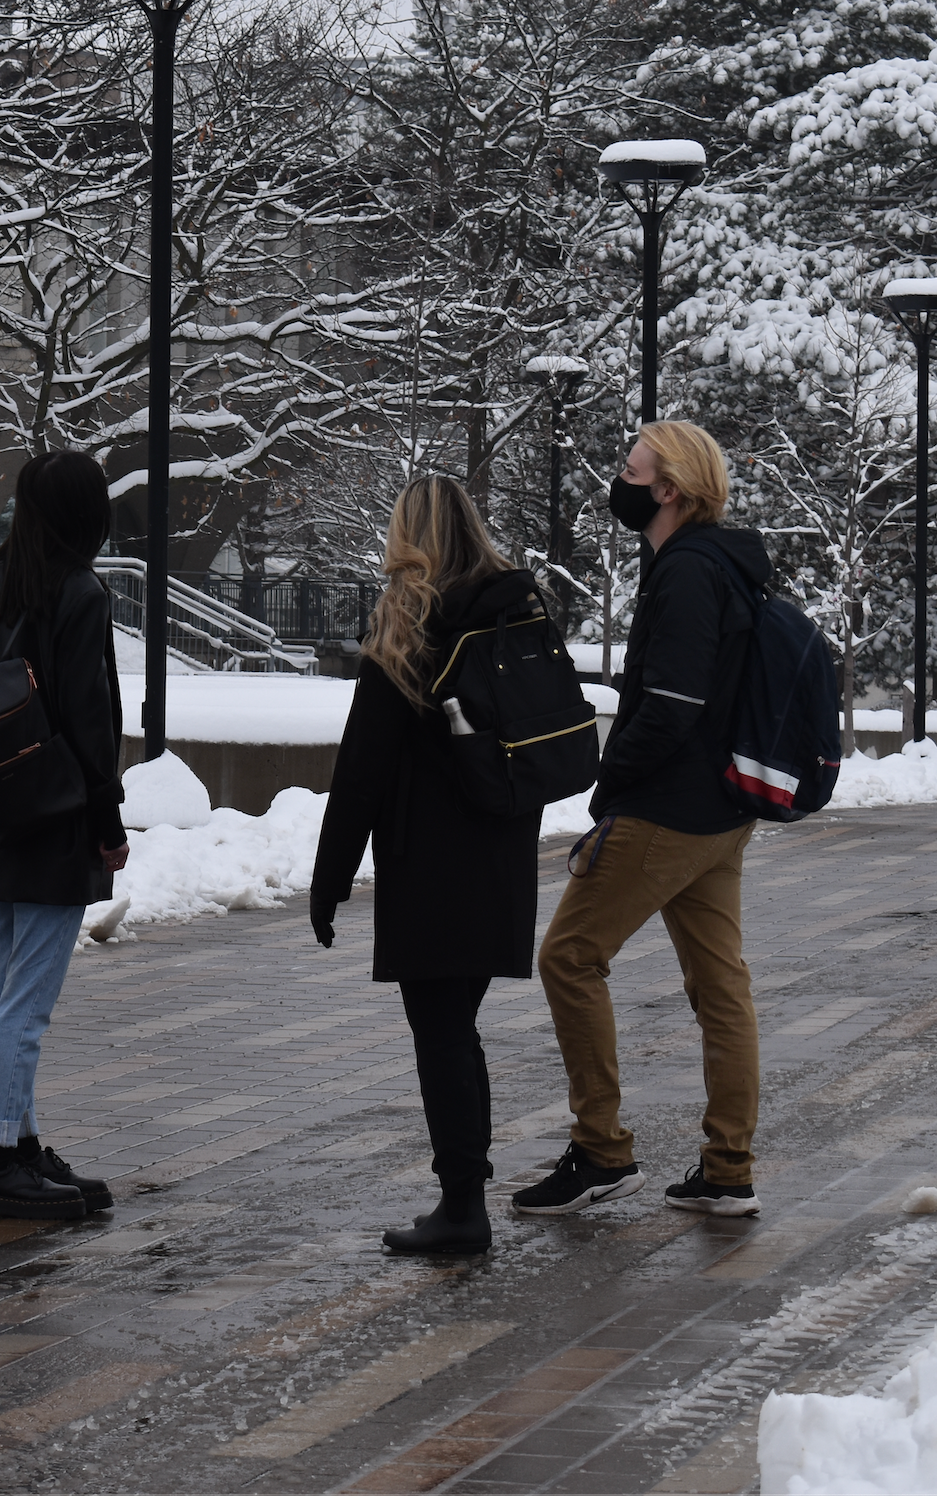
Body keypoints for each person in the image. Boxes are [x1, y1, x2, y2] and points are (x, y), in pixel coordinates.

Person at [517, 420, 772, 1220]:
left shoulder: (690, 571)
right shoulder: (719, 564)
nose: (616, 482)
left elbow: (670, 702)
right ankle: (727, 1169)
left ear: (668, 489)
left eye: (629, 470)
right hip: (717, 810)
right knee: (720, 987)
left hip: (669, 810)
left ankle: (600, 1152)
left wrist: (611, 782)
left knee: (568, 957)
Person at [309, 477, 545, 1257]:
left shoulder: (409, 626)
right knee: (458, 1026)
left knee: (440, 1031)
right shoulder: (517, 609)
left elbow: (362, 772)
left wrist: (330, 879)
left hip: (432, 866)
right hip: (502, 854)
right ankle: (465, 1192)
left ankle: (462, 1206)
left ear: (407, 536)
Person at [0, 450, 131, 1221]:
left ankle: (19, 1143)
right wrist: (108, 818)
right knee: (27, 1002)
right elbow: (89, 718)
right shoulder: (79, 592)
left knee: (4, 994)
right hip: (56, 816)